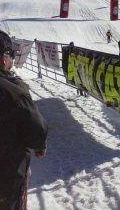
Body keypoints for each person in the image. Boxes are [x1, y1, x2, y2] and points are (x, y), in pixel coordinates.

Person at [0, 30, 47, 210]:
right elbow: (36, 130)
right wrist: (40, 146)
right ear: (4, 58)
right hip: (7, 177)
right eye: (11, 55)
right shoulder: (14, 91)